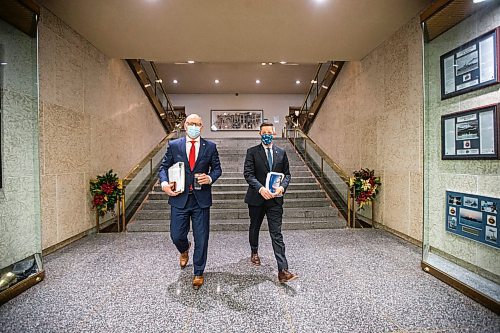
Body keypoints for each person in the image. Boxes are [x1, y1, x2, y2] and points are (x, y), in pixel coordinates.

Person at [158, 114, 222, 289]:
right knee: (176, 235)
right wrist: (164, 184)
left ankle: (198, 272)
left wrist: (209, 177)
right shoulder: (174, 145)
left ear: (202, 128)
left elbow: (217, 169)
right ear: (185, 125)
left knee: (202, 238)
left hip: (201, 200)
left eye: (197, 124)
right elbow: (163, 167)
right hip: (179, 198)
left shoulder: (210, 147)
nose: (194, 126)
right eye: (190, 123)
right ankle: (184, 249)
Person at [243, 122, 297, 283]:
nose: (266, 134)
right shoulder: (252, 152)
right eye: (264, 132)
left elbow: (287, 174)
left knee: (276, 233)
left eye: (269, 132)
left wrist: (282, 187)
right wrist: (260, 189)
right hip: (257, 198)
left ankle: (283, 270)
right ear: (260, 133)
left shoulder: (281, 152)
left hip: (275, 200)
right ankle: (254, 252)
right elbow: (248, 174)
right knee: (255, 227)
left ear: (274, 134)